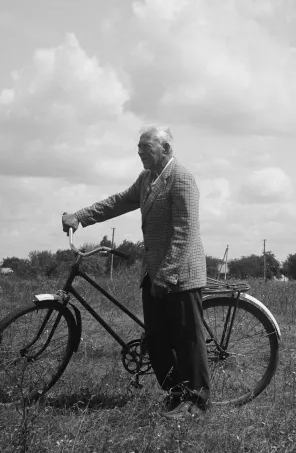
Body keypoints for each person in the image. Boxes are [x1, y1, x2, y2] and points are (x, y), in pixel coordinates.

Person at [62, 124, 209, 418]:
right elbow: (118, 202)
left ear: (166, 148)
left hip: (180, 274)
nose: (139, 151)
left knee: (187, 340)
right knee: (156, 339)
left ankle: (196, 401)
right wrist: (80, 216)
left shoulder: (181, 179)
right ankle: (175, 393)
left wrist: (166, 276)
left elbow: (185, 233)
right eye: (139, 146)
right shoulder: (147, 179)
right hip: (153, 272)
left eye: (146, 146)